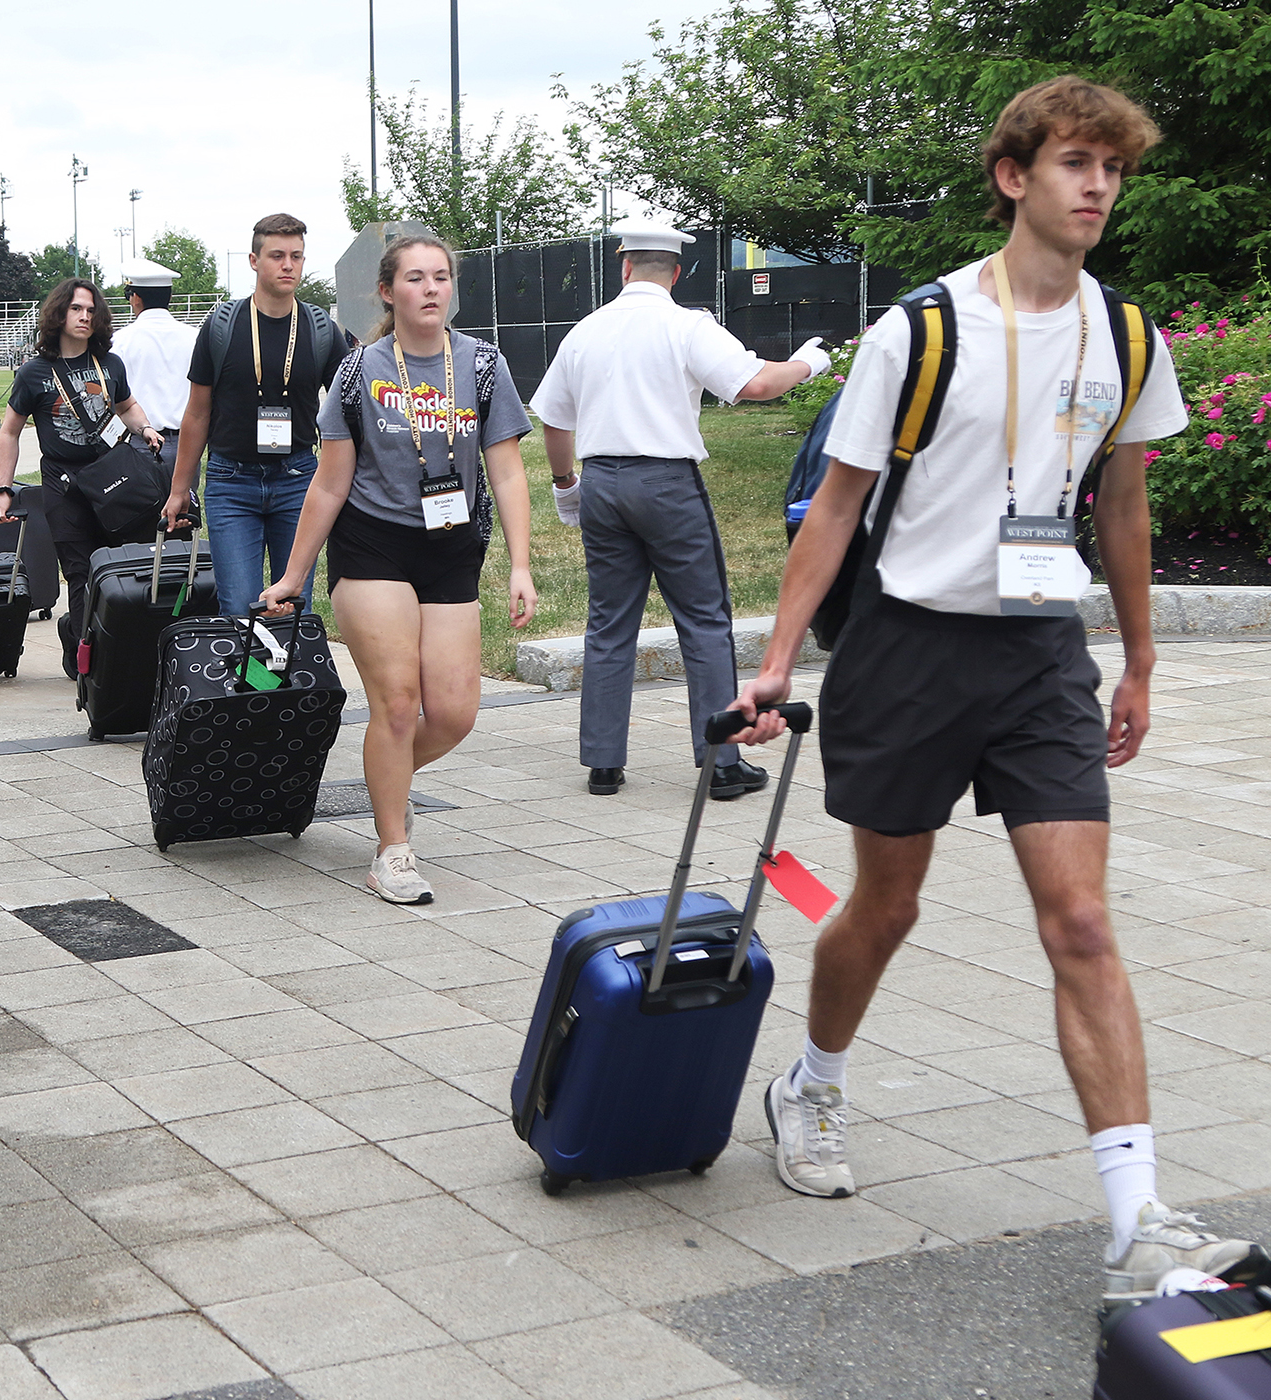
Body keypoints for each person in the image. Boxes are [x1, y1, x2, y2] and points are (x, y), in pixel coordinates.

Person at [730, 77, 1259, 1306]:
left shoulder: (1126, 336)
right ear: (1015, 175)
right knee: (887, 905)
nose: (1098, 188)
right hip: (909, 646)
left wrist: (1139, 653)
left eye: (1113, 171)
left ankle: (1137, 1218)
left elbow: (1121, 502)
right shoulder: (921, 332)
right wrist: (774, 662)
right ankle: (811, 1078)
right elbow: (843, 504)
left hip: (1037, 654)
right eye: (1077, 163)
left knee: (1079, 919)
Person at [257, 234, 535, 906]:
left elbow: (506, 470)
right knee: (399, 705)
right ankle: (393, 850)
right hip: (373, 545)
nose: (431, 288)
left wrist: (520, 565)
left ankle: (388, 786)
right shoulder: (359, 373)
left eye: (441, 276)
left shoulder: (483, 365)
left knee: (457, 711)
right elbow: (328, 484)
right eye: (415, 278)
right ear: (388, 291)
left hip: (451, 547)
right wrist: (295, 576)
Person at [531, 224, 829, 802]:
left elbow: (554, 418)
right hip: (666, 482)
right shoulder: (687, 325)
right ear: (676, 272)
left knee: (610, 622)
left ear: (624, 268)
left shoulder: (585, 331)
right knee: (704, 619)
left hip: (601, 481)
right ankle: (720, 763)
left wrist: (566, 482)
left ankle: (603, 764)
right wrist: (807, 365)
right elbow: (756, 383)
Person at [167, 214, 348, 614]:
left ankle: (289, 678)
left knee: (294, 603)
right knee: (238, 606)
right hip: (232, 482)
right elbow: (197, 414)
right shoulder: (221, 326)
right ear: (254, 260)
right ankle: (245, 679)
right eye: (277, 255)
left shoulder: (321, 330)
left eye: (297, 256)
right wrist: (181, 489)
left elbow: (348, 412)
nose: (288, 265)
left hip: (299, 479)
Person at [0, 277, 165, 677]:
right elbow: (10, 431)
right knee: (80, 572)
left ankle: (82, 632)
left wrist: (145, 428)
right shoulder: (35, 372)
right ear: (59, 314)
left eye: (90, 310)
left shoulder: (110, 364)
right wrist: (5, 489)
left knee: (116, 569)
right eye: (76, 309)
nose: (84, 317)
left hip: (111, 482)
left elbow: (127, 405)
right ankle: (92, 660)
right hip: (63, 485)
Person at [112, 257, 198, 479]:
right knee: (186, 512)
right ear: (169, 296)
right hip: (187, 444)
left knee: (141, 512)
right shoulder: (195, 338)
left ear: (136, 297)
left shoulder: (119, 341)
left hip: (140, 441)